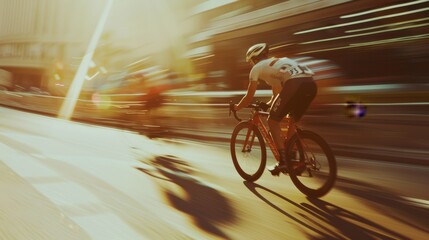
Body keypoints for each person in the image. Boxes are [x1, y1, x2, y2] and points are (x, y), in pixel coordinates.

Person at [233, 43, 317, 176]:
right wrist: (268, 104)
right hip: (310, 84)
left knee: (272, 121)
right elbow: (278, 95)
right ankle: (294, 158)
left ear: (255, 59)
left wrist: (237, 107)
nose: (251, 65)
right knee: (291, 120)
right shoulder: (275, 65)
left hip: (294, 84)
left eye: (250, 62)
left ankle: (284, 161)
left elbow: (249, 96)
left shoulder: (257, 68)